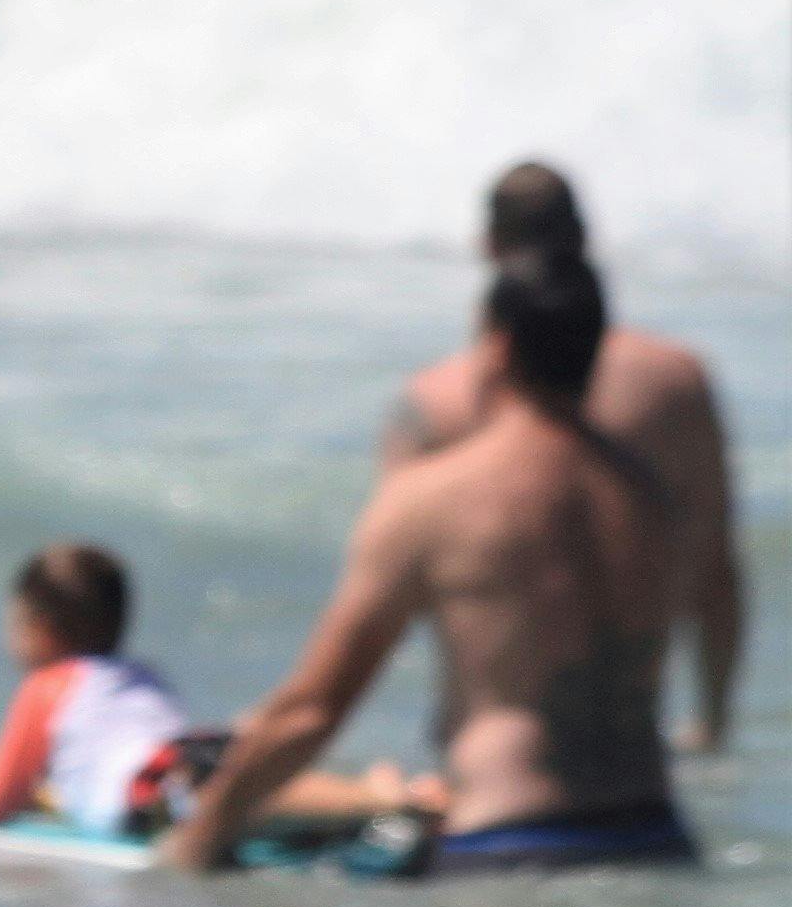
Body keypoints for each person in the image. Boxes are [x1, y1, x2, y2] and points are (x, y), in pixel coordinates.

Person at [175, 250, 697, 874]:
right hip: (659, 841)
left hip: (512, 847)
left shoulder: (435, 497)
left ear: (497, 347)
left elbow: (312, 711)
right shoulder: (648, 492)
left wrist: (200, 840)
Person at [380, 164, 741, 757]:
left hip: (490, 755)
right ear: (584, 238)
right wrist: (714, 724)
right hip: (634, 761)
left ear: (489, 245)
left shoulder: (433, 401)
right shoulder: (676, 381)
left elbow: (394, 593)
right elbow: (716, 566)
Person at [0, 541, 406, 838]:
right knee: (252, 785)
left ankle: (378, 802)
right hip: (186, 750)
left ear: (40, 629)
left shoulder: (47, 684)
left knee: (239, 792)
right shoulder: (136, 673)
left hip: (155, 778)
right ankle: (362, 796)